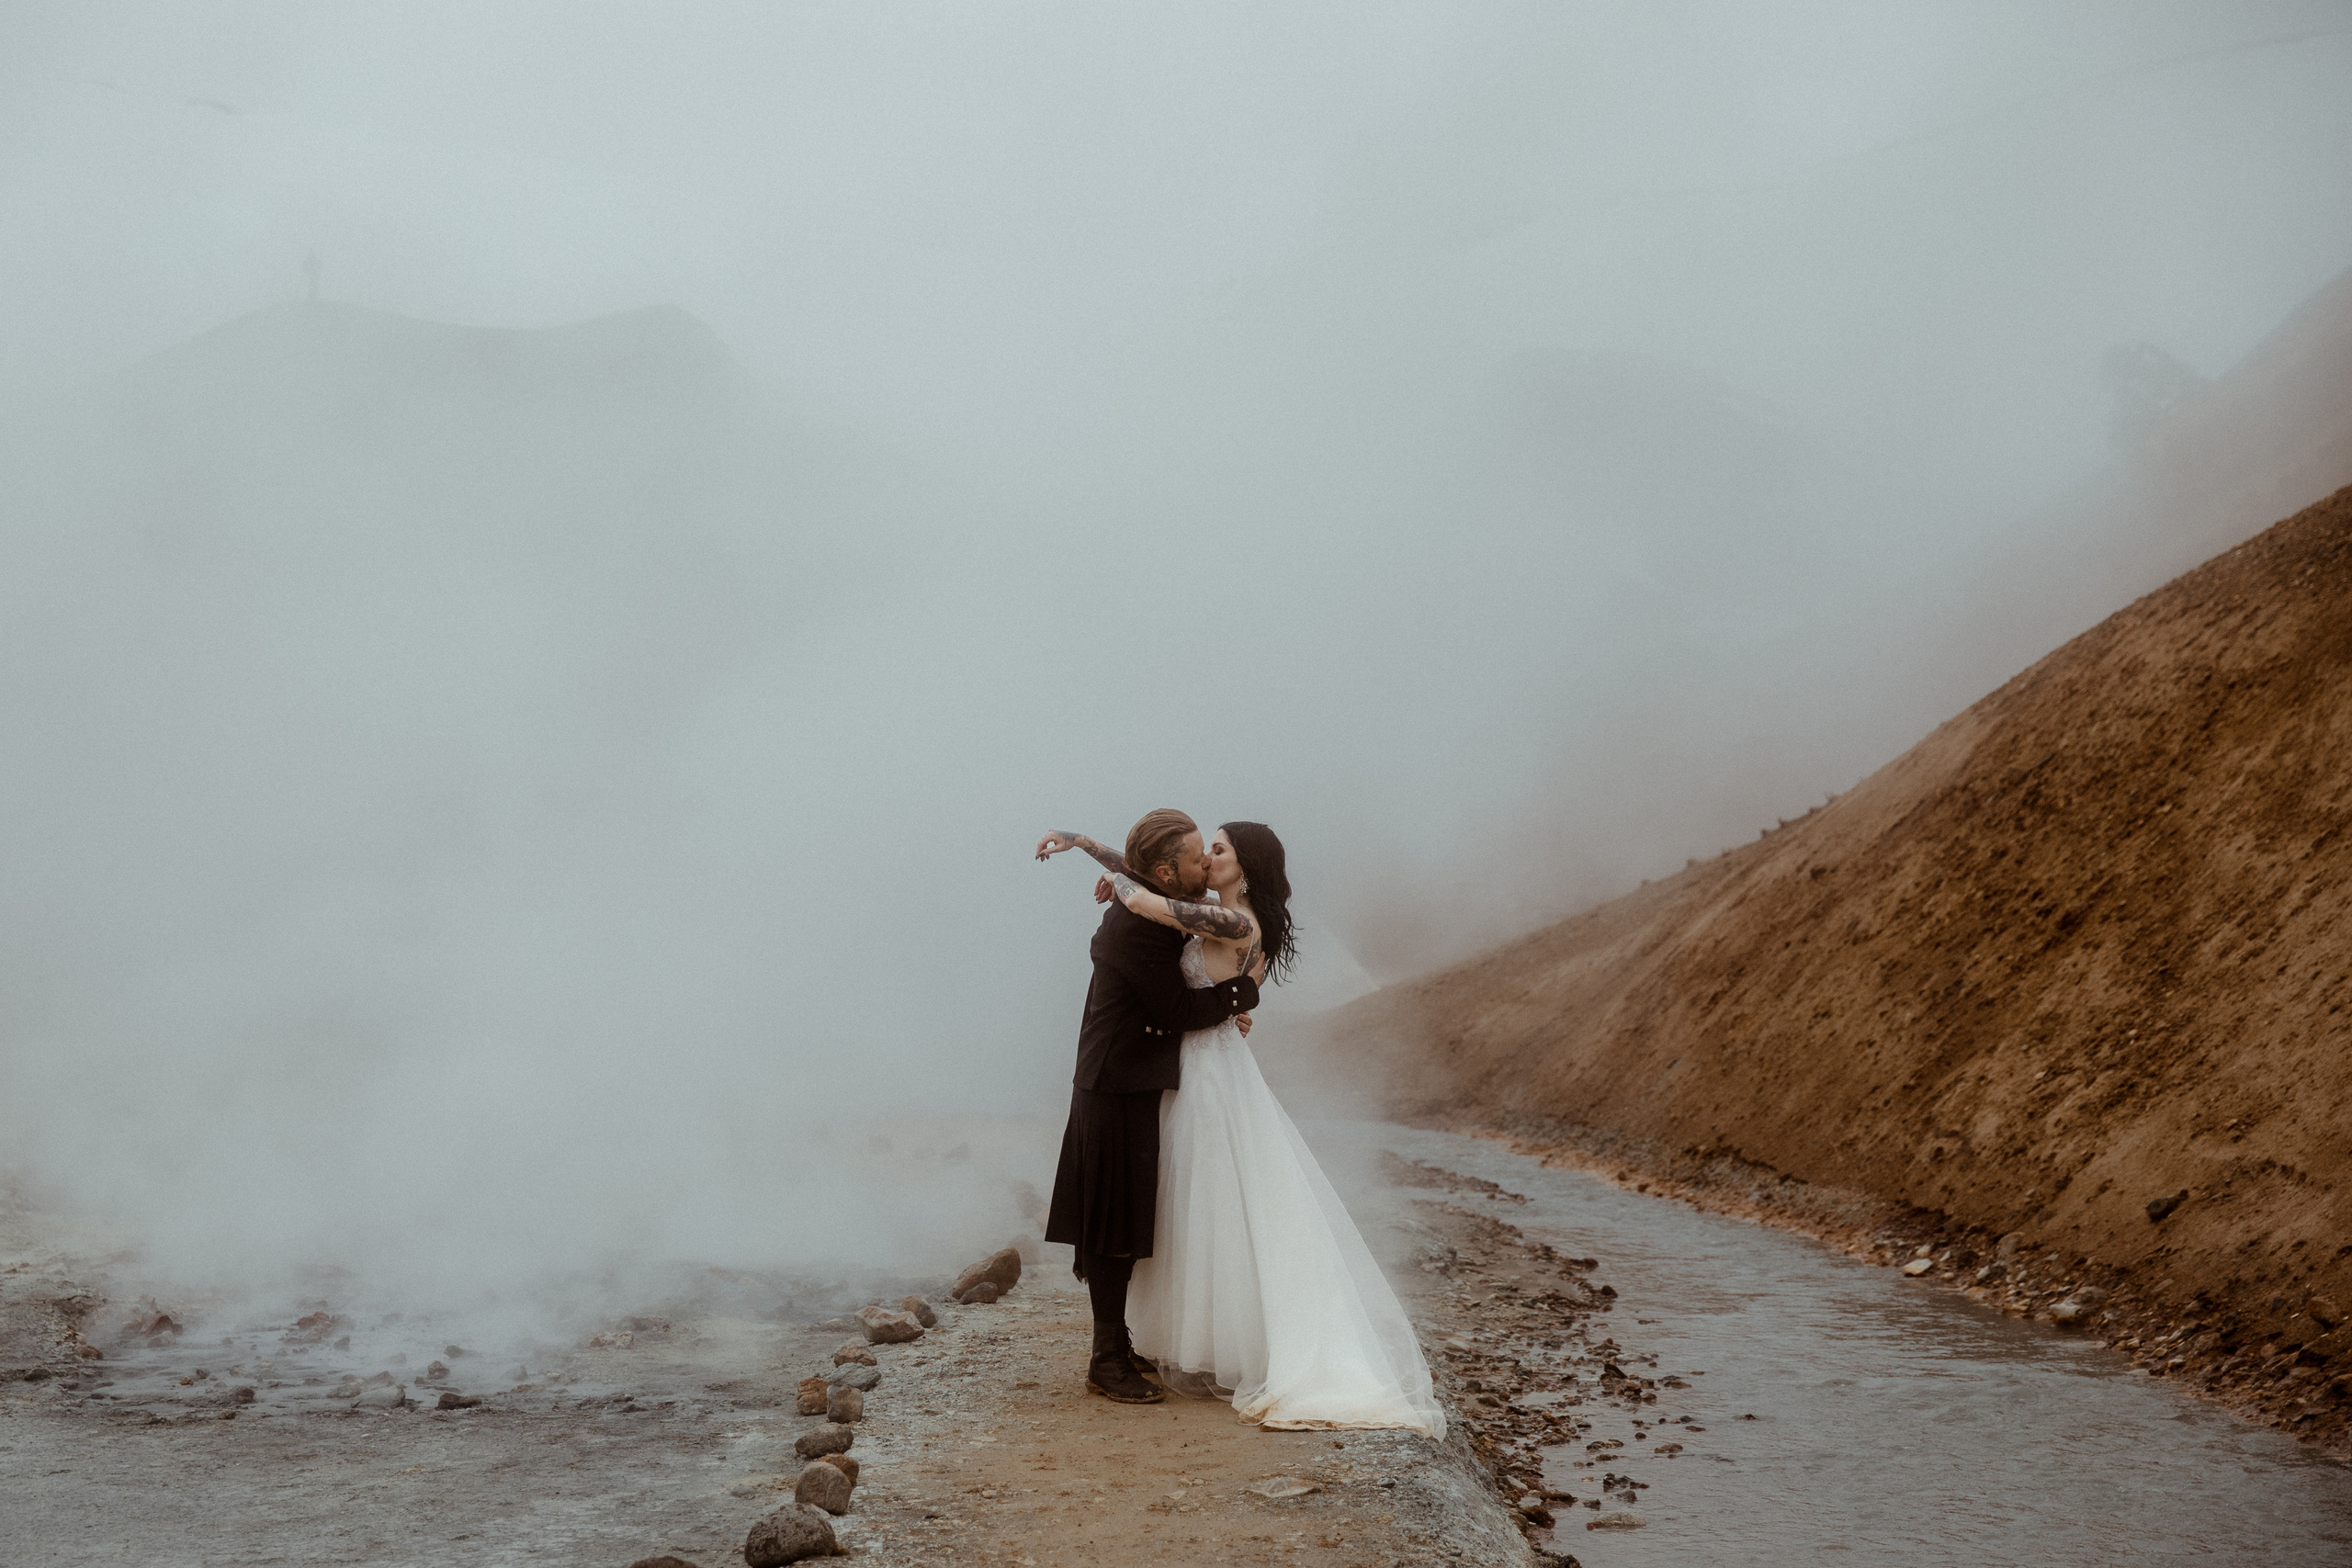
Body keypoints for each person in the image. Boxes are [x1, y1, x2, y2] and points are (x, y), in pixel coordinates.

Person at [1038, 818, 1445, 1435]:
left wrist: (1121, 885)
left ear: (1241, 867)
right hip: (1183, 1066)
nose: (1207, 857)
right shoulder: (1202, 906)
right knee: (1187, 1208)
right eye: (1203, 852)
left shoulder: (1234, 921)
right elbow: (1151, 877)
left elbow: (1149, 895)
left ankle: (1158, 1345)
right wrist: (1085, 845)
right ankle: (1157, 1340)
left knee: (1212, 1204)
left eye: (1217, 850)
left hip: (1202, 1068)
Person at [1036, 809, 1262, 1404]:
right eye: (1196, 858)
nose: (1205, 864)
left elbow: (1132, 874)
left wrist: (1083, 840)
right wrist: (1242, 994)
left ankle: (1118, 1342)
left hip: (1128, 1077)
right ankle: (1105, 1358)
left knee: (1127, 1217)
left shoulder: (1154, 902)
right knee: (1112, 1224)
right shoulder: (1138, 926)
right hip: (1114, 1082)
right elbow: (1177, 1014)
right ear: (1168, 870)